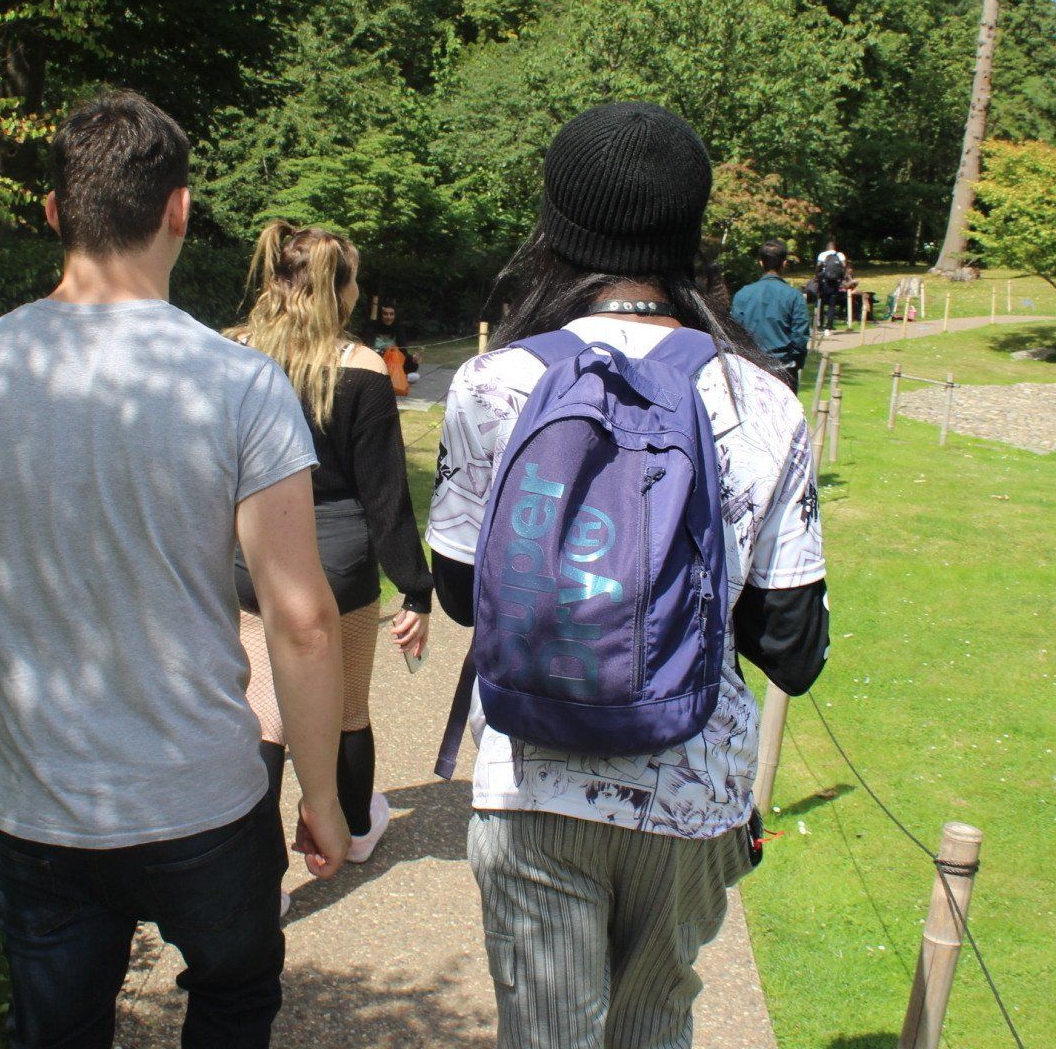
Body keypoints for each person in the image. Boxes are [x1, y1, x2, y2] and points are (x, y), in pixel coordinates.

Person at [0, 90, 350, 1049]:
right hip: (207, 801)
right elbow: (301, 619)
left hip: (39, 805)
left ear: (54, 213)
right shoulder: (240, 384)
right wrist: (321, 795)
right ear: (179, 210)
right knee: (233, 1002)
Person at [427, 102, 831, 1049]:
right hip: (691, 787)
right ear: (690, 230)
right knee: (655, 1024)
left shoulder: (493, 384)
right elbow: (793, 648)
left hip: (532, 783)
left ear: (555, 228)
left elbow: (460, 594)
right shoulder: (761, 399)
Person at [228, 222, 433, 903]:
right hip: (339, 564)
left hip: (254, 555)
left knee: (264, 716)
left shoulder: (231, 355)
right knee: (345, 707)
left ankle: (258, 880)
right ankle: (356, 830)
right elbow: (386, 496)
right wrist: (416, 589)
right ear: (337, 290)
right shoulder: (363, 368)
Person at [729, 238, 812, 390]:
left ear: (761, 263)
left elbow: (734, 333)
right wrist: (796, 362)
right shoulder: (794, 296)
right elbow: (800, 336)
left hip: (751, 370)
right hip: (783, 371)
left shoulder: (743, 295)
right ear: (784, 264)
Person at [361, 302, 422, 386]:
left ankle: (391, 379)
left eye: (391, 314)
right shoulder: (371, 328)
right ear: (380, 315)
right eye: (385, 314)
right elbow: (366, 350)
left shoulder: (399, 330)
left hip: (392, 366)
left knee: (415, 375)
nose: (389, 317)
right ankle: (393, 380)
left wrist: (414, 360)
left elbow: (403, 353)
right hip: (374, 364)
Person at [814, 239, 848, 331]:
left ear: (827, 247)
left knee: (820, 303)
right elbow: (844, 266)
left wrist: (816, 276)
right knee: (832, 305)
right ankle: (829, 325)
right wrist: (842, 278)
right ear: (834, 247)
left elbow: (818, 265)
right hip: (835, 282)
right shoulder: (840, 255)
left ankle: (819, 324)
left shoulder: (822, 254)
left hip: (824, 282)